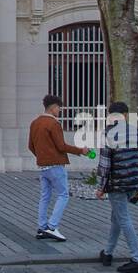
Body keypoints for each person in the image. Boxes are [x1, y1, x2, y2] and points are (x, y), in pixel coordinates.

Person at [95, 101, 138, 273]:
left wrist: (100, 187)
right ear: (125, 115)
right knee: (116, 218)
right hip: (133, 182)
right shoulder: (136, 131)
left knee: (123, 219)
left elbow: (104, 164)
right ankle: (108, 253)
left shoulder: (108, 133)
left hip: (117, 184)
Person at [28, 94, 88, 241]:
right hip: (55, 165)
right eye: (59, 108)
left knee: (45, 196)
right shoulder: (54, 124)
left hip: (42, 166)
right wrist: (81, 150)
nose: (59, 111)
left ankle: (42, 228)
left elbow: (30, 146)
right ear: (53, 107)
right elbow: (61, 146)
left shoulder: (35, 123)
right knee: (63, 194)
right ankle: (52, 226)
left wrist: (41, 156)